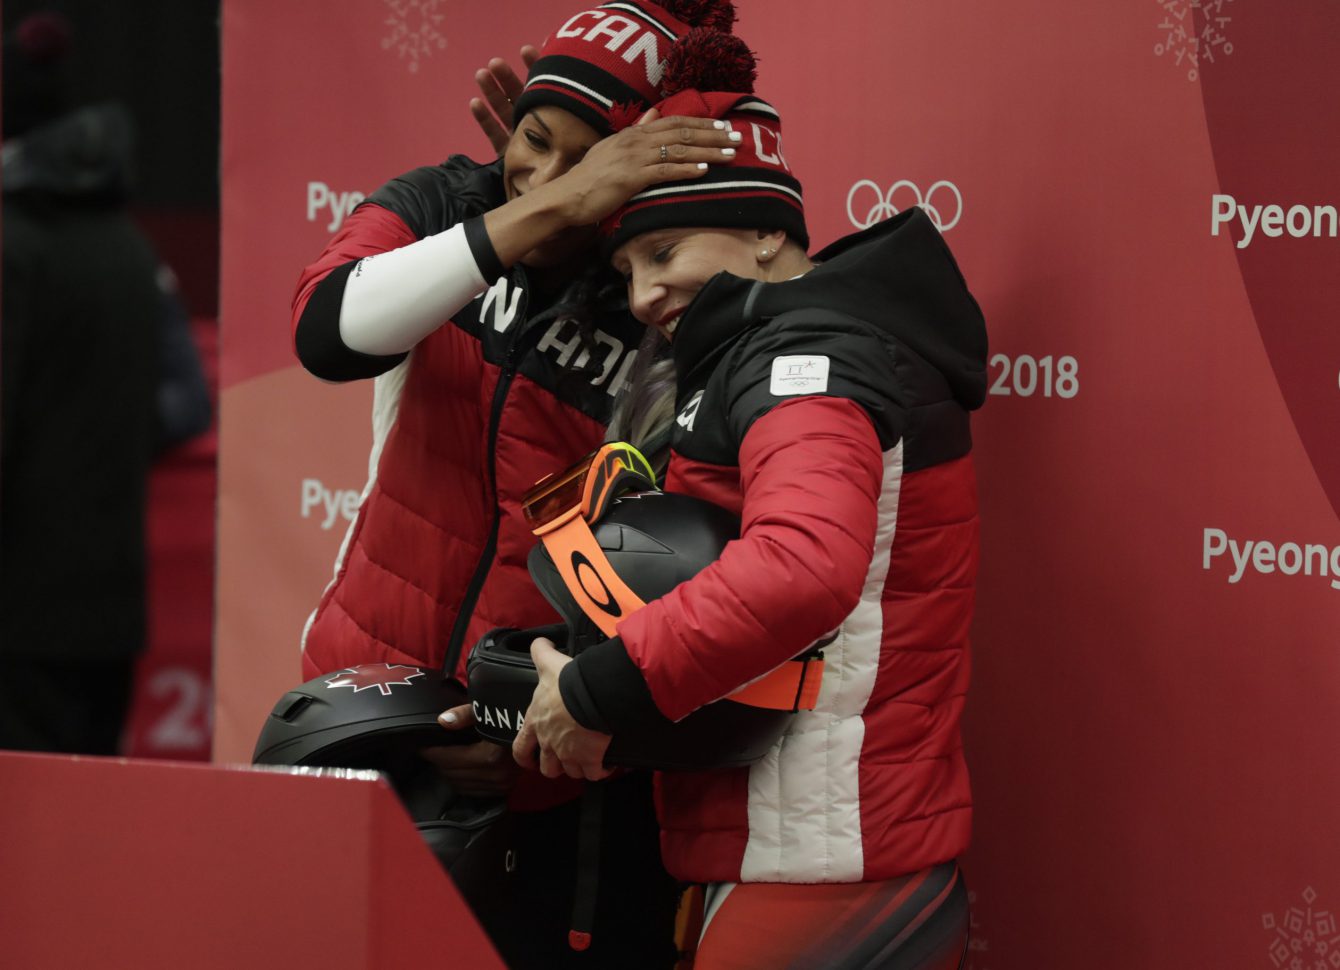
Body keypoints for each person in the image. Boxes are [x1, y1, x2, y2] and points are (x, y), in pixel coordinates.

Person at [289, 3, 746, 965]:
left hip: (554, 770)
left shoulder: (662, 296)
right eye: (535, 142)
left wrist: (513, 723)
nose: (542, 174)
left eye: (585, 163)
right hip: (367, 717)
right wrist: (539, 207)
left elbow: (673, 557)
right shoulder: (444, 201)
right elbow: (328, 331)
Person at [513, 80, 988, 969]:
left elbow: (801, 568)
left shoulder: (809, 356)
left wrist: (594, 692)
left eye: (666, 251)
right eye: (626, 273)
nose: (647, 294)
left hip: (821, 860)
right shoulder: (775, 350)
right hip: (793, 850)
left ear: (769, 231)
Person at [0, 12, 165, 755]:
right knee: (75, 836)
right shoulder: (129, 248)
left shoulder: (15, 247)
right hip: (108, 611)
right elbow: (167, 410)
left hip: (21, 619)